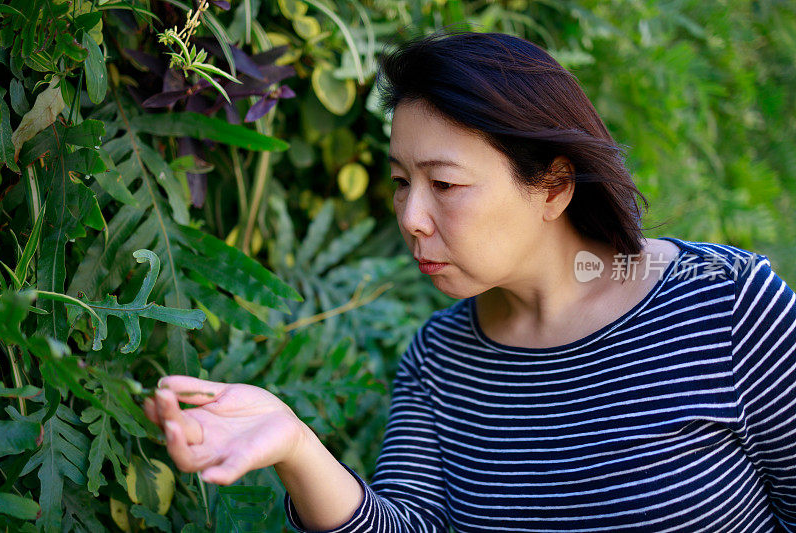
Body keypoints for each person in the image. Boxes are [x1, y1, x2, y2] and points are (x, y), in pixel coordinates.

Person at [142, 31, 796, 532]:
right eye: (401, 183)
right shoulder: (440, 360)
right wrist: (296, 446)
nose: (411, 217)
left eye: (445, 184)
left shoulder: (727, 304)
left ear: (554, 186)